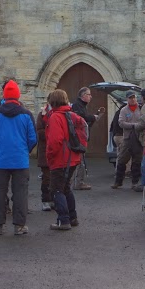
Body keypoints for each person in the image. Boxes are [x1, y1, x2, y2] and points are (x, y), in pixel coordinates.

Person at [0, 80, 37, 236]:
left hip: (1, 160)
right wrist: (24, 150)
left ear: (4, 95)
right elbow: (32, 138)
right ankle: (19, 225)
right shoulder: (26, 115)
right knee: (20, 192)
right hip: (20, 160)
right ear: (18, 95)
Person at [45, 89, 87, 231]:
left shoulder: (56, 117)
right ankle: (72, 217)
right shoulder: (71, 114)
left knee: (56, 190)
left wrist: (49, 156)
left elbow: (54, 141)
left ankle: (63, 220)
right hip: (73, 157)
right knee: (66, 187)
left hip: (61, 159)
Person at [70, 86, 104, 190]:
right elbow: (80, 118)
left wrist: (94, 117)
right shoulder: (77, 105)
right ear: (83, 96)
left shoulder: (82, 105)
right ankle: (78, 182)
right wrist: (93, 117)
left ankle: (78, 181)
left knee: (80, 159)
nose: (91, 97)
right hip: (78, 137)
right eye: (89, 94)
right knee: (79, 160)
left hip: (82, 136)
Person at [111, 91, 143, 190]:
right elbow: (121, 123)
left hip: (138, 139)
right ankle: (118, 181)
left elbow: (144, 121)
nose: (133, 99)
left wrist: (137, 126)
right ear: (127, 99)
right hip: (127, 138)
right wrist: (134, 125)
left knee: (137, 161)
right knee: (122, 160)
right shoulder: (124, 110)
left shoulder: (141, 109)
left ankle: (135, 182)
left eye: (134, 97)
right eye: (130, 98)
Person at [35, 96, 54, 211]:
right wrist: (52, 132)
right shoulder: (42, 114)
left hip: (57, 151)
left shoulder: (60, 113)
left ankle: (53, 199)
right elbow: (39, 132)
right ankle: (45, 200)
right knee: (47, 177)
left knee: (56, 177)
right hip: (45, 150)